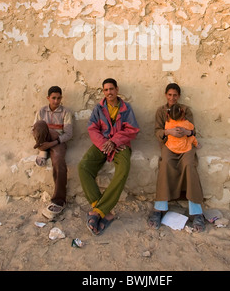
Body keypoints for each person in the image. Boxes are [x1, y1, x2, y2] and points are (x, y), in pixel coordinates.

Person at [78, 78, 139, 236]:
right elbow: (92, 128)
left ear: (117, 89)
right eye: (106, 90)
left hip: (120, 145)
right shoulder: (99, 108)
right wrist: (105, 143)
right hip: (102, 144)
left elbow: (132, 129)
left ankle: (98, 212)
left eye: (111, 89)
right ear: (103, 92)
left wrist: (115, 141)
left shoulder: (126, 108)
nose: (109, 92)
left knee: (123, 170)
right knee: (83, 167)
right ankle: (103, 210)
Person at [148, 83, 205, 232]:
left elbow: (193, 131)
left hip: (186, 146)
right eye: (169, 95)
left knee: (189, 164)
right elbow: (157, 131)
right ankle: (159, 208)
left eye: (175, 95)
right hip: (169, 145)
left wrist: (187, 132)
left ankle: (196, 212)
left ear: (178, 96)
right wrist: (169, 132)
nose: (172, 98)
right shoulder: (160, 111)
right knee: (165, 163)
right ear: (165, 95)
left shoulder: (186, 110)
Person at [32, 86, 73, 219]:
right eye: (53, 98)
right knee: (39, 125)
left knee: (59, 162)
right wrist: (45, 142)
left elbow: (69, 134)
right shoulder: (41, 111)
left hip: (58, 142)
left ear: (61, 98)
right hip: (44, 140)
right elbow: (35, 131)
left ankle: (59, 200)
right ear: (48, 98)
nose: (56, 101)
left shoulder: (65, 112)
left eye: (58, 98)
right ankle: (42, 151)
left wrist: (54, 142)